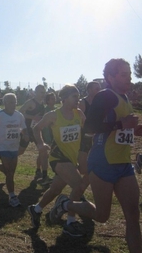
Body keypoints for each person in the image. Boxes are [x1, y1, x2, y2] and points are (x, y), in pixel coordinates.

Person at [50, 59, 142, 252]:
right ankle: (66, 204)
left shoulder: (125, 98)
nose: (129, 79)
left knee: (133, 216)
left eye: (130, 75)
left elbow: (125, 131)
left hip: (124, 163)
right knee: (102, 215)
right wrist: (120, 125)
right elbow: (90, 127)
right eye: (123, 75)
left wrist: (135, 128)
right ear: (110, 77)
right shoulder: (105, 96)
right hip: (103, 162)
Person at [27, 85, 88, 237]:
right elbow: (36, 128)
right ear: (64, 98)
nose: (78, 99)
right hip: (58, 157)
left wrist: (83, 156)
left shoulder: (79, 114)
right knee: (78, 185)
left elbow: (85, 135)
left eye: (79, 95)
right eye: (75, 96)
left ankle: (36, 209)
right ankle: (70, 222)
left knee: (55, 190)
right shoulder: (53, 115)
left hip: (72, 158)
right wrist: (41, 144)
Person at [0, 93, 28, 207]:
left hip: (14, 147)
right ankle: (12, 196)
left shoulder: (19, 115)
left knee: (10, 171)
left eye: (15, 102)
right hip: (2, 147)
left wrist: (25, 136)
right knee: (10, 172)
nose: (13, 104)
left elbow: (24, 129)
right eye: (11, 102)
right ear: (5, 103)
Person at [18, 85, 48, 182]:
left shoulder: (42, 103)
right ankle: (7, 159)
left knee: (43, 151)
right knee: (21, 151)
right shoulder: (31, 102)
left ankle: (43, 174)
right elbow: (19, 112)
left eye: (44, 92)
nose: (43, 94)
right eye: (41, 92)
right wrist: (32, 117)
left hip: (36, 131)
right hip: (27, 131)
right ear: (36, 92)